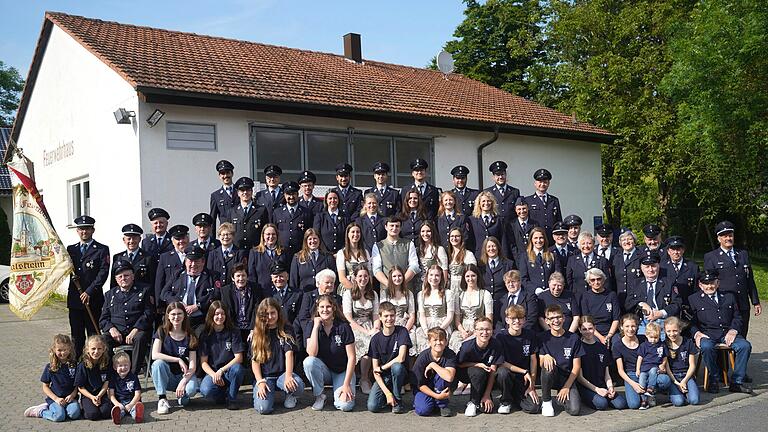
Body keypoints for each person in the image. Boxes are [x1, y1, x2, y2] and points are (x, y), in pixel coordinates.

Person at [688, 269, 753, 394]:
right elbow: (690, 322)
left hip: (726, 333)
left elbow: (738, 317)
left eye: (712, 283)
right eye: (706, 283)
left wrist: (733, 330)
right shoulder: (693, 299)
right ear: (700, 285)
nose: (709, 286)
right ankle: (714, 378)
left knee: (745, 346)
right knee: (706, 347)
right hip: (707, 333)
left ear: (718, 283)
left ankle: (737, 382)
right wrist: (696, 334)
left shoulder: (729, 296)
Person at [703, 221, 761, 338]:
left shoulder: (743, 254)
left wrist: (755, 301)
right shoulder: (711, 257)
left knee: (742, 335)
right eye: (725, 236)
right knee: (726, 337)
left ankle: (740, 356)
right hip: (725, 304)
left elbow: (749, 279)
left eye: (730, 235)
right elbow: (708, 283)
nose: (728, 238)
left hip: (743, 303)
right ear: (719, 238)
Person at [303, 294, 357, 412]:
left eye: (328, 306)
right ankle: (320, 396)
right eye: (322, 307)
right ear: (317, 309)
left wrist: (346, 384)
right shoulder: (311, 325)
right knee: (309, 362)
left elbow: (352, 357)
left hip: (342, 371)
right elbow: (312, 353)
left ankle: (341, 388)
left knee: (345, 406)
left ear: (333, 308)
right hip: (324, 372)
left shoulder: (343, 326)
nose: (325, 310)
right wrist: (316, 327)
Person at [67, 215, 111, 359]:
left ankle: (95, 363)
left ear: (92, 230)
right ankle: (77, 364)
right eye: (81, 229)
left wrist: (89, 291)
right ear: (77, 231)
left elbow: (103, 273)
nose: (84, 232)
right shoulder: (70, 250)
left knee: (93, 334)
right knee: (76, 336)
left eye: (87, 229)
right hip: (75, 299)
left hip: (93, 299)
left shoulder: (102, 249)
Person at [251, 298, 305, 414]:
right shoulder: (257, 333)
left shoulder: (286, 329)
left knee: (298, 386)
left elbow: (289, 353)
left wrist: (289, 376)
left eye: (273, 313)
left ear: (278, 313)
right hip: (265, 377)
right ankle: (264, 396)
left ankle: (290, 395)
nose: (270, 317)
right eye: (266, 314)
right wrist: (260, 381)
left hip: (282, 375)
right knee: (264, 409)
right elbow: (255, 361)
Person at [100, 261, 153, 375]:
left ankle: (132, 376)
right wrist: (111, 329)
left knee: (140, 338)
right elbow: (103, 319)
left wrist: (136, 329)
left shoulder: (144, 290)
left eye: (126, 275)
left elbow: (148, 314)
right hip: (117, 334)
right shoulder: (110, 295)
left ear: (133, 276)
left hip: (137, 332)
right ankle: (111, 375)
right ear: (116, 279)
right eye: (120, 276)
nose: (123, 278)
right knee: (102, 341)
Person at [151, 302, 200, 414]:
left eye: (179, 314)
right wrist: (178, 359)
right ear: (168, 316)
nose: (176, 317)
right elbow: (155, 354)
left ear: (184, 316)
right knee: (158, 364)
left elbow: (192, 367)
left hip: (183, 375)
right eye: (173, 314)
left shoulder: (191, 335)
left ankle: (182, 396)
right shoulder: (161, 331)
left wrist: (183, 382)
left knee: (191, 390)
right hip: (167, 376)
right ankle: (162, 399)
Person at [495, 304, 542, 414]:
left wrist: (532, 385)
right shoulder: (500, 336)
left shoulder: (530, 335)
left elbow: (533, 360)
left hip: (524, 379)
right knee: (502, 373)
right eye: (513, 318)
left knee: (534, 408)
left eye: (520, 318)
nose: (517, 321)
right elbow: (501, 363)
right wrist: (524, 371)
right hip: (508, 375)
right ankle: (505, 401)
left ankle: (516, 399)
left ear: (524, 320)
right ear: (507, 320)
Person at [366, 301, 412, 414]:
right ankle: (389, 395)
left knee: (397, 367)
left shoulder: (402, 332)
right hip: (384, 377)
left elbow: (401, 358)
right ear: (380, 318)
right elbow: (375, 370)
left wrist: (382, 368)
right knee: (373, 406)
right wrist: (387, 393)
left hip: (400, 373)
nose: (389, 319)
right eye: (386, 316)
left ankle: (397, 401)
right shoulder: (375, 339)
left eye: (392, 315)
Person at [199, 301, 245, 410]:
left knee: (238, 369)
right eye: (216, 314)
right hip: (213, 371)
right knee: (206, 390)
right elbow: (203, 362)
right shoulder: (205, 334)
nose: (220, 317)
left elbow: (239, 358)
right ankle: (222, 395)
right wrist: (214, 374)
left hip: (228, 370)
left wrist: (222, 370)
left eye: (222, 314)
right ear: (211, 315)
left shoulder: (233, 332)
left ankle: (232, 399)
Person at [538, 305, 583, 417]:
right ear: (547, 321)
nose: (556, 321)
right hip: (551, 375)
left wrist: (566, 387)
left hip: (567, 378)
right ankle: (547, 401)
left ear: (563, 318)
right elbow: (539, 363)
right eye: (552, 318)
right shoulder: (542, 337)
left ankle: (561, 398)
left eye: (558, 317)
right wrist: (545, 356)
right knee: (547, 365)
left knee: (574, 410)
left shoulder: (573, 338)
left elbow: (576, 367)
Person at [160, 245, 220, 329]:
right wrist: (179, 303)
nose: (193, 264)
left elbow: (216, 294)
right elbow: (164, 293)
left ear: (203, 262)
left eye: (197, 261)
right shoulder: (177, 275)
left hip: (201, 319)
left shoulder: (212, 276)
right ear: (185, 262)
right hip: (178, 319)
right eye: (190, 261)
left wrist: (198, 305)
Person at [25, 334, 81, 421]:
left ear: (70, 349)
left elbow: (78, 384)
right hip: (55, 399)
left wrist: (73, 395)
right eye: (59, 350)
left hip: (70, 398)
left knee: (74, 414)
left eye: (65, 350)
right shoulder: (50, 367)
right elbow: (45, 386)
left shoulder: (75, 365)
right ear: (54, 350)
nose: (62, 353)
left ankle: (63, 409)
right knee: (59, 417)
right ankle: (41, 411)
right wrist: (56, 399)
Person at [625, 250, 680, 336]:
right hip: (642, 322)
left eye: (653, 266)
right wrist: (641, 304)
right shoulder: (635, 283)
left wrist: (661, 313)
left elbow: (677, 303)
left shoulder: (668, 282)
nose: (650, 269)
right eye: (647, 266)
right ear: (641, 268)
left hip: (663, 322)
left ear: (658, 266)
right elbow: (628, 304)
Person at [343, 266, 380, 394]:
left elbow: (376, 315)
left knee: (375, 339)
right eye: (360, 276)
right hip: (354, 326)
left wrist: (375, 328)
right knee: (365, 341)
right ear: (355, 278)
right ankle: (354, 377)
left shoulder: (373, 294)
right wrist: (366, 332)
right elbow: (348, 318)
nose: (363, 279)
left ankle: (365, 378)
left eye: (365, 276)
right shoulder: (348, 294)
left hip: (369, 325)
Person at [457, 317, 504, 417]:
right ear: (475, 331)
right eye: (481, 329)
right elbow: (459, 364)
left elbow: (493, 370)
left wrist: (487, 395)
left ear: (492, 331)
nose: (485, 332)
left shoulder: (496, 345)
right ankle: (473, 402)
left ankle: (481, 398)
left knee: (486, 409)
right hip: (467, 373)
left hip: (486, 376)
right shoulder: (467, 346)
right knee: (478, 372)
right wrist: (477, 364)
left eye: (488, 329)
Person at [576, 316, 626, 411]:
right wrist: (597, 390)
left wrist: (610, 387)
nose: (588, 331)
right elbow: (580, 377)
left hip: (602, 385)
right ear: (579, 330)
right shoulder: (578, 347)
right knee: (602, 404)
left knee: (621, 404)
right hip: (587, 387)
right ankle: (584, 398)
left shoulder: (602, 348)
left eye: (590, 328)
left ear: (595, 328)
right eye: (584, 329)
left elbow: (606, 373)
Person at [450, 264, 493, 353]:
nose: (470, 279)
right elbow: (457, 321)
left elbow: (489, 319)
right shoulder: (460, 296)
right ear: (464, 278)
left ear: (477, 276)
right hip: (463, 329)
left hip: (480, 329)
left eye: (473, 275)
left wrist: (476, 332)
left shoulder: (485, 294)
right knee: (455, 342)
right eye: (467, 276)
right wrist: (463, 332)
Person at [296, 269, 343, 347]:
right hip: (312, 333)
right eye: (327, 282)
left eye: (332, 283)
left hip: (333, 334)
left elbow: (339, 317)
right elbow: (303, 318)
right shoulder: (308, 296)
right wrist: (312, 330)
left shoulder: (337, 299)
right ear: (318, 283)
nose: (330, 285)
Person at [372, 216, 419, 291]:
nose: (394, 228)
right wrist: (389, 284)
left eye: (397, 226)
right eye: (391, 226)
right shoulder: (378, 246)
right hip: (386, 289)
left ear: (400, 228)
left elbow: (414, 266)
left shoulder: (409, 244)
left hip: (406, 289)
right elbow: (376, 269)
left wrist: (401, 283)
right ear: (386, 227)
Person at [414, 265, 454, 352]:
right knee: (421, 338)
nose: (434, 278)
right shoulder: (421, 294)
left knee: (439, 340)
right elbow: (422, 315)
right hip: (427, 326)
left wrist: (439, 329)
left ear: (441, 277)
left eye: (437, 275)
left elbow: (450, 316)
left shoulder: (448, 293)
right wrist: (426, 330)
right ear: (427, 276)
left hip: (442, 325)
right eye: (431, 275)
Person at [378, 266, 417, 355]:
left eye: (399, 276)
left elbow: (412, 316)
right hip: (389, 323)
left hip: (405, 325)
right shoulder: (385, 293)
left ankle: (410, 367)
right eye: (394, 276)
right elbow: (382, 313)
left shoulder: (408, 293)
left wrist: (405, 330)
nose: (397, 278)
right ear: (390, 278)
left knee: (412, 338)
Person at [220, 263, 263, 344]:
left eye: (243, 275)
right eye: (238, 276)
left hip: (251, 327)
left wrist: (254, 329)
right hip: (233, 328)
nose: (241, 278)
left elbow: (257, 310)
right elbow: (227, 312)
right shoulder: (225, 291)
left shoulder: (256, 289)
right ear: (233, 278)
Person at [661, 317, 700, 406]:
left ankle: (685, 392)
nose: (672, 334)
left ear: (680, 329)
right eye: (669, 331)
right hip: (673, 377)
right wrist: (676, 382)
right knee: (679, 402)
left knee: (694, 401)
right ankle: (673, 393)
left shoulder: (688, 342)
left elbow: (692, 365)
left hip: (687, 376)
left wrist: (684, 381)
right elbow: (667, 368)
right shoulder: (664, 345)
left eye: (675, 331)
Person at [612, 313, 646, 409]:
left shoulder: (643, 339)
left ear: (637, 326)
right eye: (627, 326)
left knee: (663, 380)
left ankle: (650, 395)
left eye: (633, 326)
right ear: (622, 327)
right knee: (634, 405)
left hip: (645, 372)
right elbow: (620, 371)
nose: (630, 329)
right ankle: (630, 394)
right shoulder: (618, 345)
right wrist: (634, 384)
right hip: (630, 375)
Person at [579, 268, 620, 346]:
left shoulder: (612, 295)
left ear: (603, 280)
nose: (596, 282)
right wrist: (601, 337)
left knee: (616, 343)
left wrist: (609, 335)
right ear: (589, 282)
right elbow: (587, 321)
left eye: (598, 279)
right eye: (593, 280)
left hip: (611, 330)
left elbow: (616, 319)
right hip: (593, 330)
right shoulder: (585, 297)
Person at [75, 335, 112, 420]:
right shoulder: (82, 365)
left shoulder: (106, 362)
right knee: (93, 415)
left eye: (99, 349)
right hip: (88, 395)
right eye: (93, 349)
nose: (96, 352)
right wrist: (92, 397)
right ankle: (84, 408)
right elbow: (80, 387)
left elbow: (106, 382)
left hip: (101, 394)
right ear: (87, 349)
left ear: (104, 349)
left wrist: (99, 396)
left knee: (106, 413)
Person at [154, 224, 190, 314]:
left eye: (183, 238)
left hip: (190, 302)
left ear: (188, 238)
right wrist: (159, 305)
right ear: (172, 241)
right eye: (178, 239)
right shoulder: (165, 257)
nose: (181, 241)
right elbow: (159, 282)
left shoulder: (195, 255)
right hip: (171, 303)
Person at [272, 181, 312, 259]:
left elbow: (309, 233)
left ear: (298, 194)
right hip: (281, 253)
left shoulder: (306, 212)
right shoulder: (277, 212)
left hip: (300, 253)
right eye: (288, 194)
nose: (291, 197)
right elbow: (274, 231)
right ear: (284, 195)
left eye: (293, 194)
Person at [289, 228, 335, 293]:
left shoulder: (328, 257)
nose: (313, 241)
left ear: (319, 240)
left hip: (323, 296)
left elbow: (334, 279)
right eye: (310, 239)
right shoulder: (298, 257)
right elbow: (293, 281)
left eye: (315, 238)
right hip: (303, 296)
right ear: (306, 241)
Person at [110, 223, 155, 288]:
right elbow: (114, 281)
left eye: (134, 238)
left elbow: (152, 280)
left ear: (139, 239)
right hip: (123, 295)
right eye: (129, 239)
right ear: (124, 240)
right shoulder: (118, 257)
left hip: (142, 295)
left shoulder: (148, 257)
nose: (131, 241)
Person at [519, 227, 560, 296]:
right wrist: (535, 289)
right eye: (535, 238)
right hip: (532, 295)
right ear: (531, 240)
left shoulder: (552, 255)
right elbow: (523, 279)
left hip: (550, 294)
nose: (538, 240)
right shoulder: (525, 257)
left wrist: (552, 287)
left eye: (541, 238)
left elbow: (558, 275)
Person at [566, 231, 609, 296]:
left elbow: (606, 282)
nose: (586, 246)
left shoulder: (602, 261)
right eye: (583, 243)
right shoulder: (572, 260)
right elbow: (569, 280)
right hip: (577, 297)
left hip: (597, 296)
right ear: (579, 245)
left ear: (594, 244)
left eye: (589, 243)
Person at [660, 236, 699, 309]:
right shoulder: (662, 267)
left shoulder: (693, 267)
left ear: (683, 250)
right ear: (668, 251)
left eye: (678, 249)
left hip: (688, 306)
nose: (676, 252)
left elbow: (696, 289)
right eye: (673, 249)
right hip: (668, 306)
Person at [635, 322, 667, 409]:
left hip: (655, 366)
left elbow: (664, 357)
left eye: (656, 337)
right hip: (644, 368)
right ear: (646, 335)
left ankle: (651, 388)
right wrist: (637, 369)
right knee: (641, 381)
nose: (653, 340)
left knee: (653, 371)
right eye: (651, 337)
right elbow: (640, 358)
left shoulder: (661, 345)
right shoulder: (644, 346)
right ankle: (644, 401)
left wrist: (663, 365)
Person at [231, 176, 269, 250]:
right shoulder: (232, 211)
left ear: (251, 192)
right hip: (237, 251)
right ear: (238, 193)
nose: (245, 192)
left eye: (248, 190)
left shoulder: (261, 210)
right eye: (242, 190)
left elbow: (265, 230)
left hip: (256, 250)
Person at [468, 191, 508, 259]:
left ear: (492, 203)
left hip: (495, 256)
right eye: (483, 201)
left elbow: (503, 241)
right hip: (478, 257)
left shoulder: (499, 220)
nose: (486, 203)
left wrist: (504, 258)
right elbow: (470, 241)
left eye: (488, 201)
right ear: (479, 204)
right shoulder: (472, 220)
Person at [207, 222, 248, 287]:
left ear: (233, 236)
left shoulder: (240, 253)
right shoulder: (212, 254)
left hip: (233, 290)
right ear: (219, 236)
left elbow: (241, 273)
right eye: (223, 235)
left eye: (228, 234)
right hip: (216, 291)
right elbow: (209, 274)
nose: (225, 237)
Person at [263, 261, 303, 327]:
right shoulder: (267, 294)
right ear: (272, 278)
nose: (278, 279)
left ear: (287, 276)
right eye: (276, 277)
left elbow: (299, 316)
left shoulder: (297, 294)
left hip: (293, 331)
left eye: (281, 276)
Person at [525, 168, 562, 241]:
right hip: (536, 240)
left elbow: (559, 221)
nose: (542, 184)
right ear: (535, 183)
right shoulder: (528, 201)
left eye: (545, 182)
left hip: (551, 240)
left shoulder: (554, 200)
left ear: (548, 183)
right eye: (540, 182)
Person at [108, 351, 144, 424]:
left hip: (132, 401)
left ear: (130, 365)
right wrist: (117, 404)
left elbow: (138, 393)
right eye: (120, 366)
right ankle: (117, 417)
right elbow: (111, 394)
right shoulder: (113, 378)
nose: (123, 368)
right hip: (119, 402)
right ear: (115, 367)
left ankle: (138, 416)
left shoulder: (133, 377)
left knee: (134, 409)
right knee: (119, 410)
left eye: (126, 365)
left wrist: (131, 404)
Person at [336, 222, 372, 294]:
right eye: (353, 232)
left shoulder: (365, 252)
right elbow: (342, 278)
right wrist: (355, 291)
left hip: (364, 290)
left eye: (358, 232)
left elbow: (369, 275)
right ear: (348, 235)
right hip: (348, 290)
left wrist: (367, 291)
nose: (355, 234)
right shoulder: (342, 253)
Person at [247, 223, 283, 291]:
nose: (271, 236)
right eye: (268, 234)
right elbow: (252, 275)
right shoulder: (254, 252)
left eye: (273, 234)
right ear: (263, 236)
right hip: (261, 291)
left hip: (279, 291)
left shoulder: (284, 252)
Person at [479, 237, 515, 302]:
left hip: (503, 302)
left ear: (498, 247)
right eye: (488, 247)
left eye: (493, 246)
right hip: (485, 303)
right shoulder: (480, 265)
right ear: (485, 249)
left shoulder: (509, 264)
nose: (491, 249)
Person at [613, 228, 642, 308]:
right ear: (620, 243)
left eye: (630, 239)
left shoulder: (641, 256)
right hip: (620, 299)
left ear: (634, 241)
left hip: (637, 299)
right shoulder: (616, 257)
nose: (627, 242)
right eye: (623, 240)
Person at [415, 221, 449, 289]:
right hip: (418, 286)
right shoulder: (417, 250)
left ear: (433, 232)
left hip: (433, 286)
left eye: (428, 231)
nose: (425, 234)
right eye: (423, 231)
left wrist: (442, 289)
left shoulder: (439, 249)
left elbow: (444, 272)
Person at [314, 189, 348, 254]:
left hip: (342, 254)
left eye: (335, 198)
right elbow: (316, 235)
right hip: (324, 254)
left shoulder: (345, 217)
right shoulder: (320, 217)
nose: (333, 200)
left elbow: (347, 236)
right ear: (326, 200)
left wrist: (341, 253)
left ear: (338, 200)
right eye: (330, 198)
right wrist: (326, 253)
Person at [210, 159, 237, 224]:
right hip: (225, 232)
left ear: (232, 174)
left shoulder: (241, 192)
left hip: (239, 231)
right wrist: (211, 234)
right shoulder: (215, 196)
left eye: (227, 173)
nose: (225, 176)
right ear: (219, 176)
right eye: (222, 173)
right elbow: (213, 218)